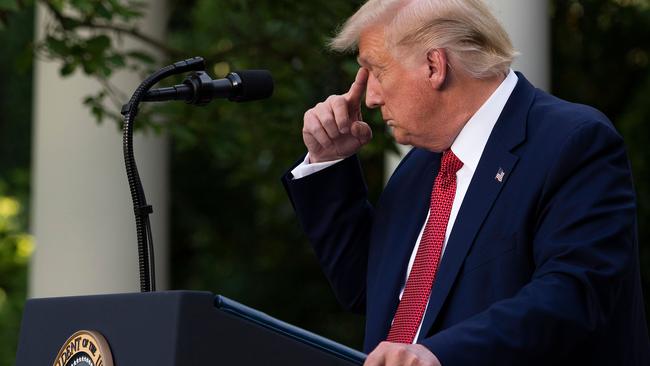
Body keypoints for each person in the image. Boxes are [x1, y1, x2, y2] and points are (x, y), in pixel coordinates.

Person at [281, 0, 650, 365]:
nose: (371, 97)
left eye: (376, 71)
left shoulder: (573, 142)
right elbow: (369, 290)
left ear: (434, 66)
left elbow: (574, 294)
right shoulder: (419, 167)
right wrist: (329, 161)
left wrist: (440, 355)